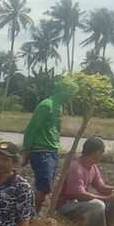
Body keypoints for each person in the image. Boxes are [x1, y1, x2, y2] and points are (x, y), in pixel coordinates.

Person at [23, 79, 76, 211]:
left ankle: (36, 212)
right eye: (71, 93)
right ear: (64, 91)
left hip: (52, 151)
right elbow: (31, 129)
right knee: (43, 186)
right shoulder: (47, 105)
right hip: (41, 151)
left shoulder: (59, 106)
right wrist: (26, 152)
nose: (72, 97)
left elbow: (56, 129)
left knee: (47, 188)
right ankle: (31, 214)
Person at [56, 136, 114, 226]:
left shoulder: (92, 166)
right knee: (98, 205)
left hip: (78, 203)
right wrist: (106, 198)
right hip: (66, 206)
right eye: (102, 152)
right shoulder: (76, 168)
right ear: (97, 152)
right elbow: (79, 194)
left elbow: (101, 187)